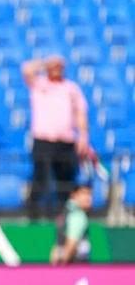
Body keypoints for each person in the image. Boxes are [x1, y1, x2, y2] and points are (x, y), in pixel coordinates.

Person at [22, 55, 90, 219]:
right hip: (43, 140)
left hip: (65, 142)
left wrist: (83, 136)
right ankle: (34, 215)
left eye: (59, 67)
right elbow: (26, 69)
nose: (56, 70)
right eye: (54, 67)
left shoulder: (71, 88)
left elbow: (80, 113)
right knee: (40, 178)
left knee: (65, 181)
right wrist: (45, 62)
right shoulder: (39, 84)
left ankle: (64, 216)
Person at [51, 184, 92, 265]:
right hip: (75, 265)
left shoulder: (65, 211)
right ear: (74, 195)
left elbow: (57, 245)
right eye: (84, 193)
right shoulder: (78, 214)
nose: (88, 198)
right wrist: (63, 267)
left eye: (90, 194)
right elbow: (71, 244)